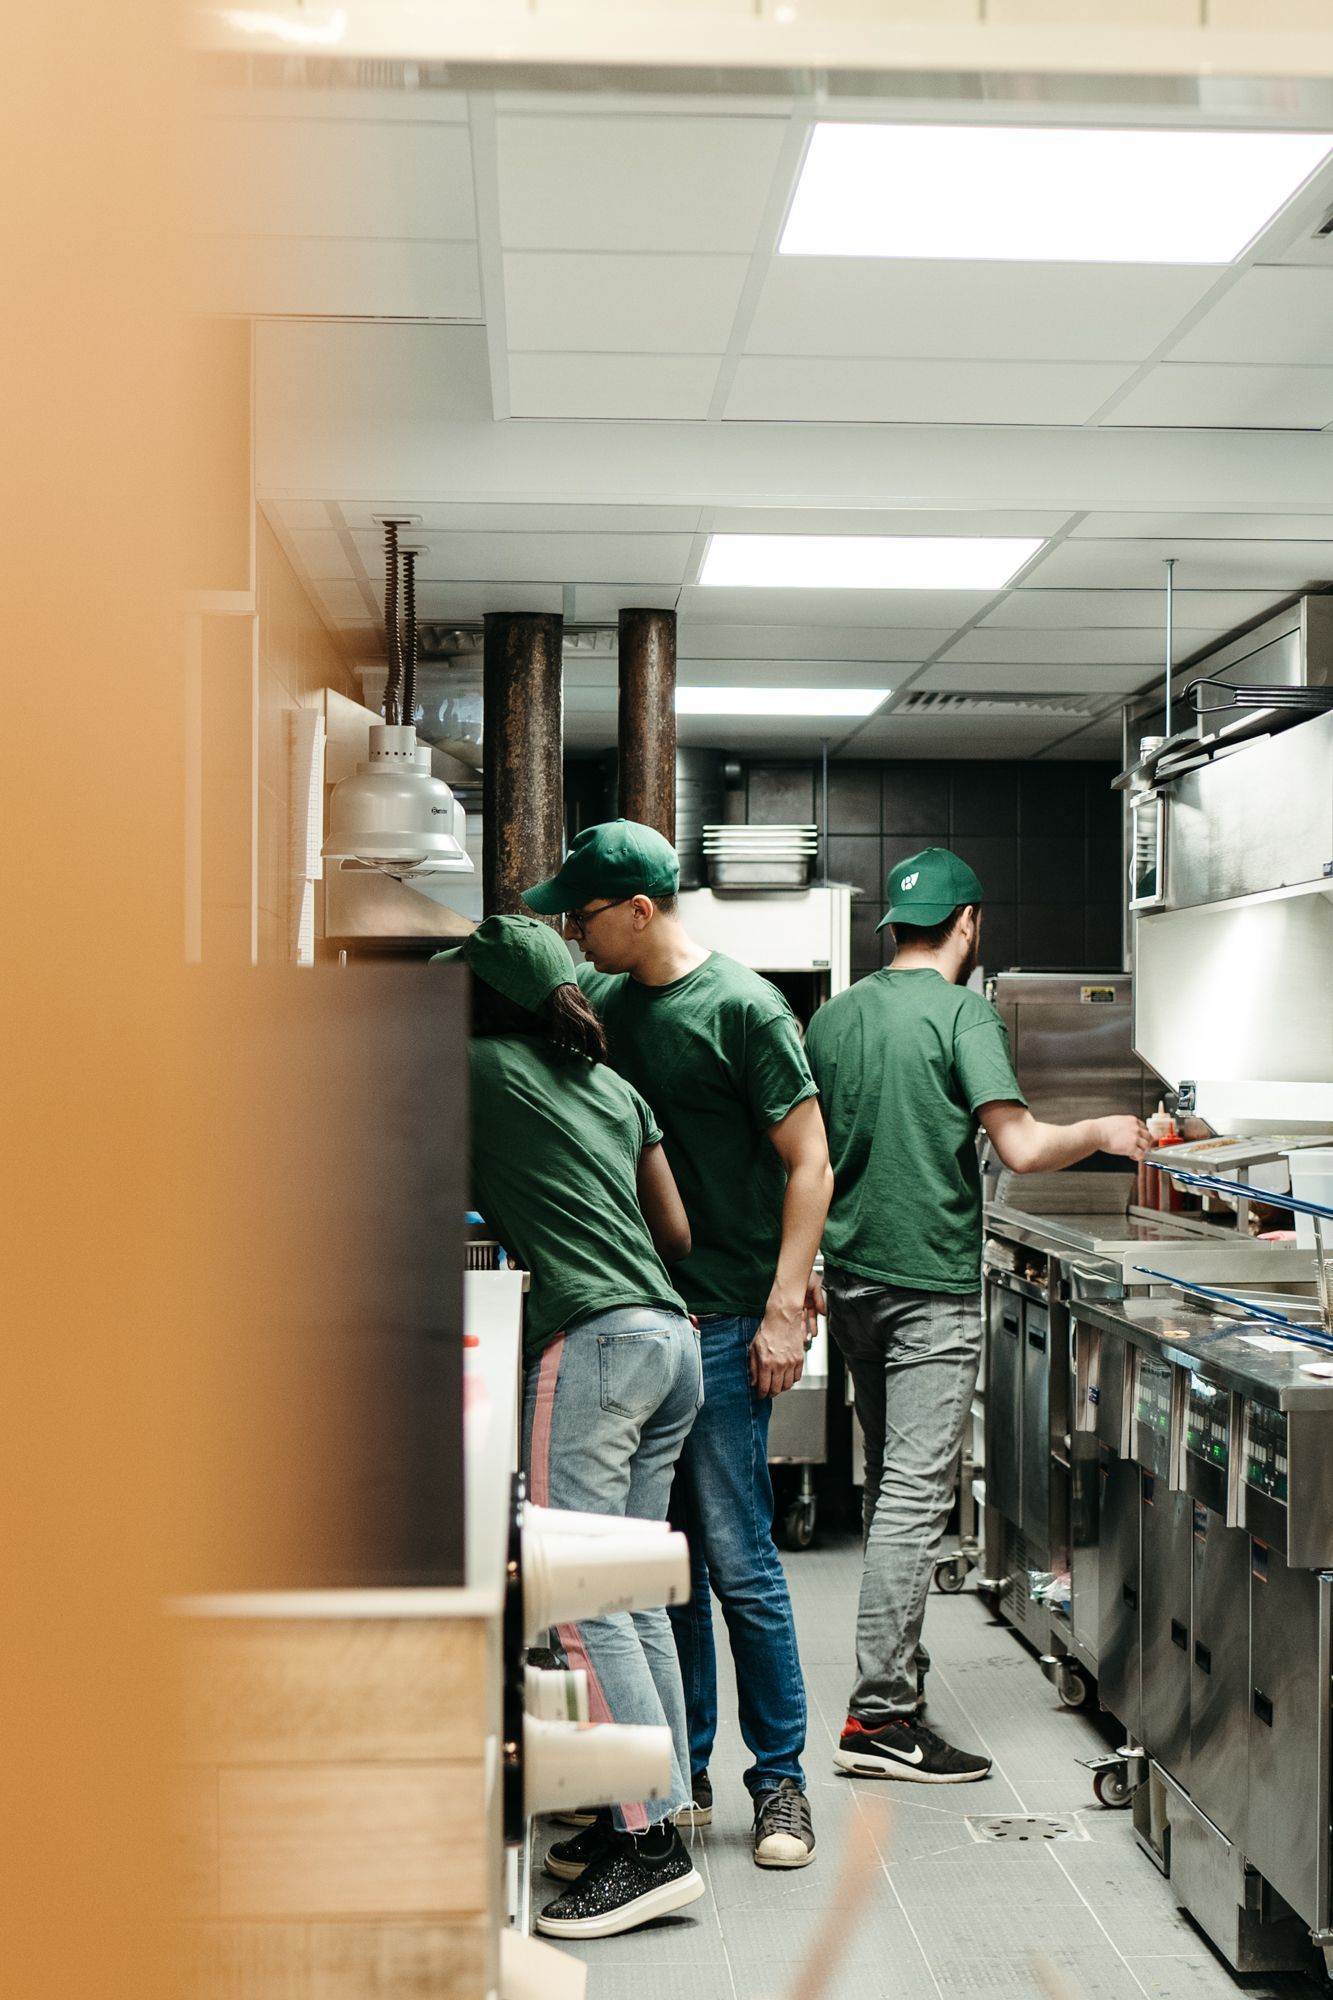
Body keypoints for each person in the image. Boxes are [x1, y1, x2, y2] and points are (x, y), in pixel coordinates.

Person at [804, 847, 1151, 1785]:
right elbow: (1023, 1148)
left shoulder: (833, 1018)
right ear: (970, 924)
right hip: (927, 1289)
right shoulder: (964, 1015)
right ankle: (879, 1719)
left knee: (892, 1493)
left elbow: (810, 1159)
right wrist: (1107, 1132)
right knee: (915, 1502)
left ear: (894, 929)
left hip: (855, 1282)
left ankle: (897, 1686)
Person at [523, 821, 833, 1870]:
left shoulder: (743, 1007)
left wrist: (787, 1301)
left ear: (640, 909)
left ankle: (780, 1779)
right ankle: (683, 1770)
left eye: (586, 913)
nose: (574, 931)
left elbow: (810, 1160)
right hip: (647, 1316)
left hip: (731, 1314)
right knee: (669, 1569)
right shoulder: (604, 1008)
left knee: (742, 1557)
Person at [432, 914, 707, 1938]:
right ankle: (659, 1807)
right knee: (629, 1596)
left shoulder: (473, 1067)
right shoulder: (606, 1079)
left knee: (581, 1595)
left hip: (592, 1343)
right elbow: (674, 1230)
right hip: (668, 1341)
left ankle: (648, 1845)